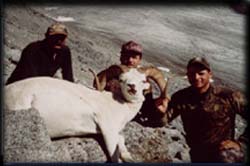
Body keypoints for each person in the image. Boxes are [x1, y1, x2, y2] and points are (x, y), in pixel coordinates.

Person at [156, 57, 248, 162]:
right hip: (198, 154)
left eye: (201, 73)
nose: (196, 77)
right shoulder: (181, 97)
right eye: (191, 73)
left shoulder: (227, 95)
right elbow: (163, 121)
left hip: (225, 153)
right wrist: (160, 112)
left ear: (210, 74)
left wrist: (241, 144)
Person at [93, 40, 169, 127]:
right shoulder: (112, 73)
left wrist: (162, 103)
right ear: (121, 56)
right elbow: (97, 85)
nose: (130, 60)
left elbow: (159, 81)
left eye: (134, 57)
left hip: (135, 112)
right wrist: (103, 82)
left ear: (139, 59)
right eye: (126, 56)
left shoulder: (144, 82)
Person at [6, 22, 74, 85]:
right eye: (55, 37)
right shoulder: (33, 50)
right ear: (46, 37)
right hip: (20, 85)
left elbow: (68, 76)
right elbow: (31, 77)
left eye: (62, 38)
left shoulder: (64, 51)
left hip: (41, 84)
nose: (59, 41)